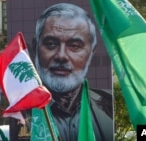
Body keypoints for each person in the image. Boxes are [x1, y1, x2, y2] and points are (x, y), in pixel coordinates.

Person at [29, 3, 113, 141]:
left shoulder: (109, 105)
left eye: (74, 46)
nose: (61, 56)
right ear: (35, 47)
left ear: (91, 52)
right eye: (51, 44)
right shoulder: (18, 110)